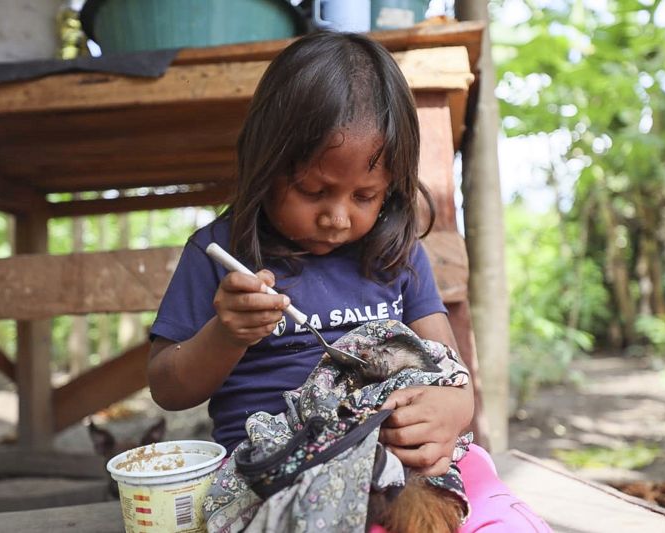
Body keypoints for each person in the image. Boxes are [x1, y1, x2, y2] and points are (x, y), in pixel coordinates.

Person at [148, 31, 550, 532]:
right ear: (266, 164)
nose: (337, 217)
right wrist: (226, 334)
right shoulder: (225, 257)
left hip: (398, 459)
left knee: (482, 487)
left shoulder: (397, 256)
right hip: (282, 470)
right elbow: (168, 386)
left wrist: (453, 405)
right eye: (314, 190)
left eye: (365, 196)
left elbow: (450, 369)